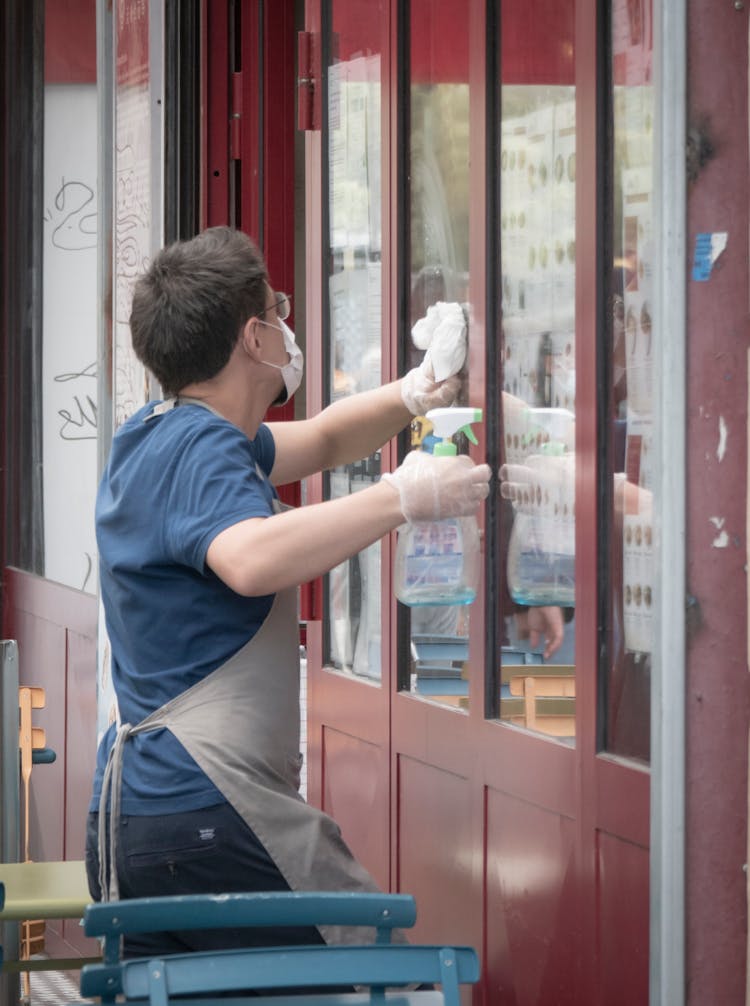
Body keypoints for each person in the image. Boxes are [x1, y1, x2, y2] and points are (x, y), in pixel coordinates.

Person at [85, 225, 490, 956]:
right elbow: (248, 559)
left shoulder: (159, 435)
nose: (286, 326)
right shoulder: (204, 449)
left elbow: (328, 440)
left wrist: (414, 390)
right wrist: (402, 498)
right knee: (382, 960)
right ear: (254, 339)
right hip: (209, 805)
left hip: (142, 817)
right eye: (277, 312)